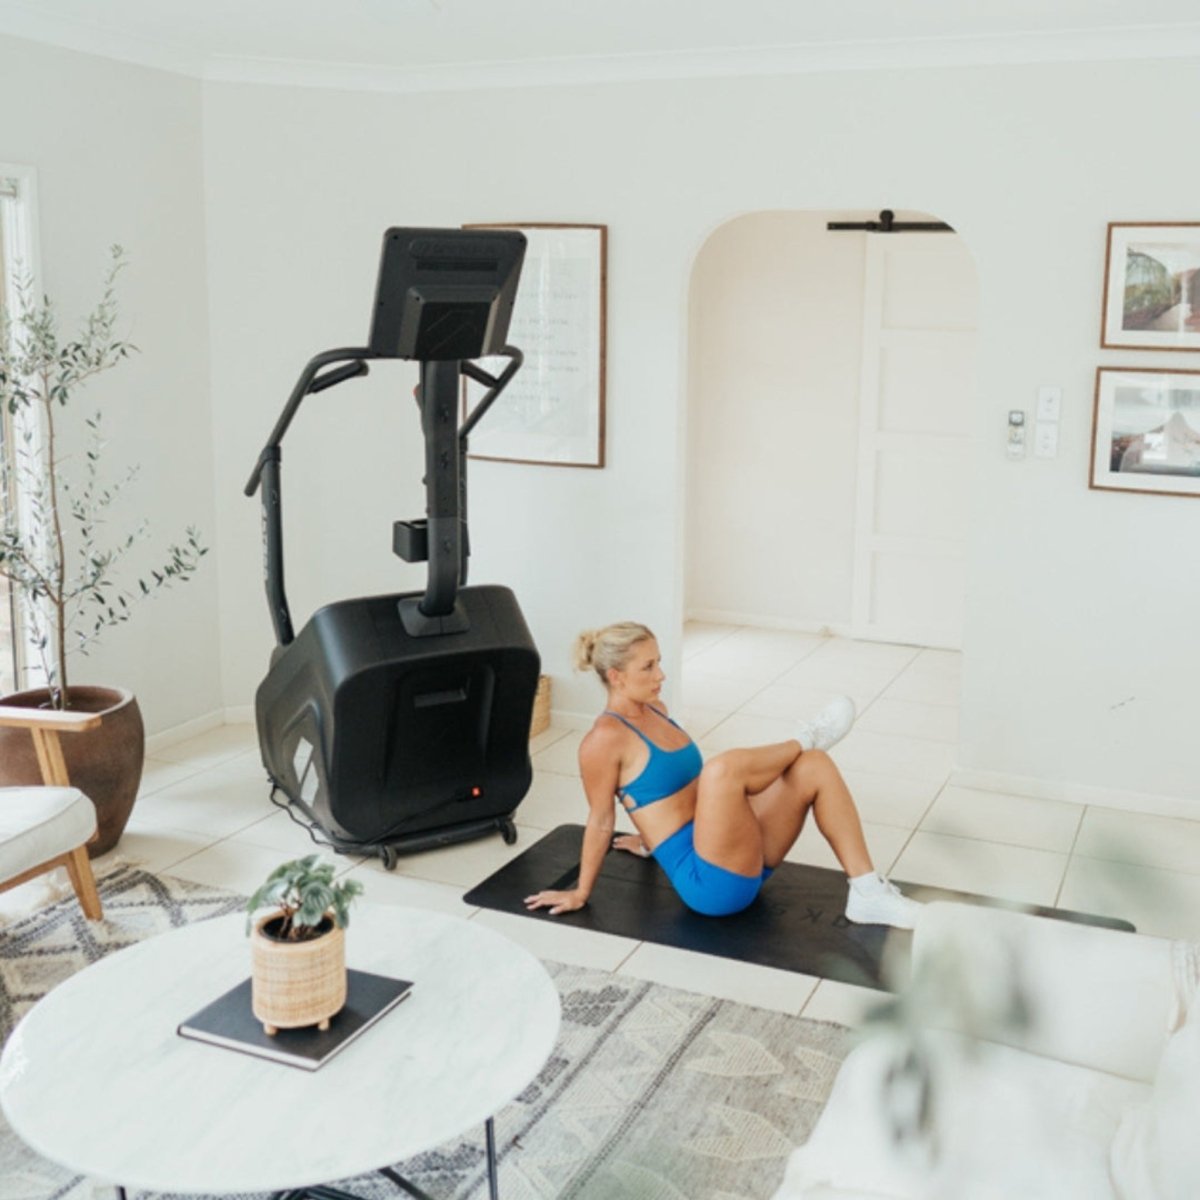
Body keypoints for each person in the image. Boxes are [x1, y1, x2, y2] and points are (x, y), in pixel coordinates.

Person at [524, 621, 921, 928]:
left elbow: (668, 794)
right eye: (649, 666)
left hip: (738, 851)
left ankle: (868, 893)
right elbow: (601, 818)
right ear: (616, 676)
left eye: (659, 661)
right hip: (711, 884)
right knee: (721, 770)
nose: (661, 674)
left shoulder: (657, 709)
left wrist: (649, 841)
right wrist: (580, 892)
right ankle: (805, 737)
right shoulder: (602, 740)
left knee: (814, 765)